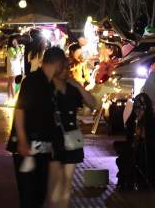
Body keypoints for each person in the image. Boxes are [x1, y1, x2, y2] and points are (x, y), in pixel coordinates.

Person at [6, 47, 68, 208]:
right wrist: (23, 140)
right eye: (64, 64)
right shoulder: (33, 81)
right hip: (28, 145)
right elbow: (20, 110)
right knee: (29, 194)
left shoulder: (51, 84)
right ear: (58, 63)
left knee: (39, 192)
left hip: (42, 147)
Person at [46, 62, 97, 208]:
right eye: (63, 67)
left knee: (67, 182)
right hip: (53, 139)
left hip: (71, 137)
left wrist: (78, 85)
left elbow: (93, 103)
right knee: (55, 182)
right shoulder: (46, 88)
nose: (66, 70)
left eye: (67, 67)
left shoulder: (72, 89)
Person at [6, 35, 24, 103]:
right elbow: (16, 57)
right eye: (14, 40)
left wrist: (19, 50)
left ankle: (9, 97)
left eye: (16, 40)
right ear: (11, 41)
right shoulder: (10, 48)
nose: (15, 41)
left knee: (10, 82)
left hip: (15, 67)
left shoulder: (15, 48)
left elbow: (19, 56)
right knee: (12, 82)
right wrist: (19, 49)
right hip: (13, 67)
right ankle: (12, 97)